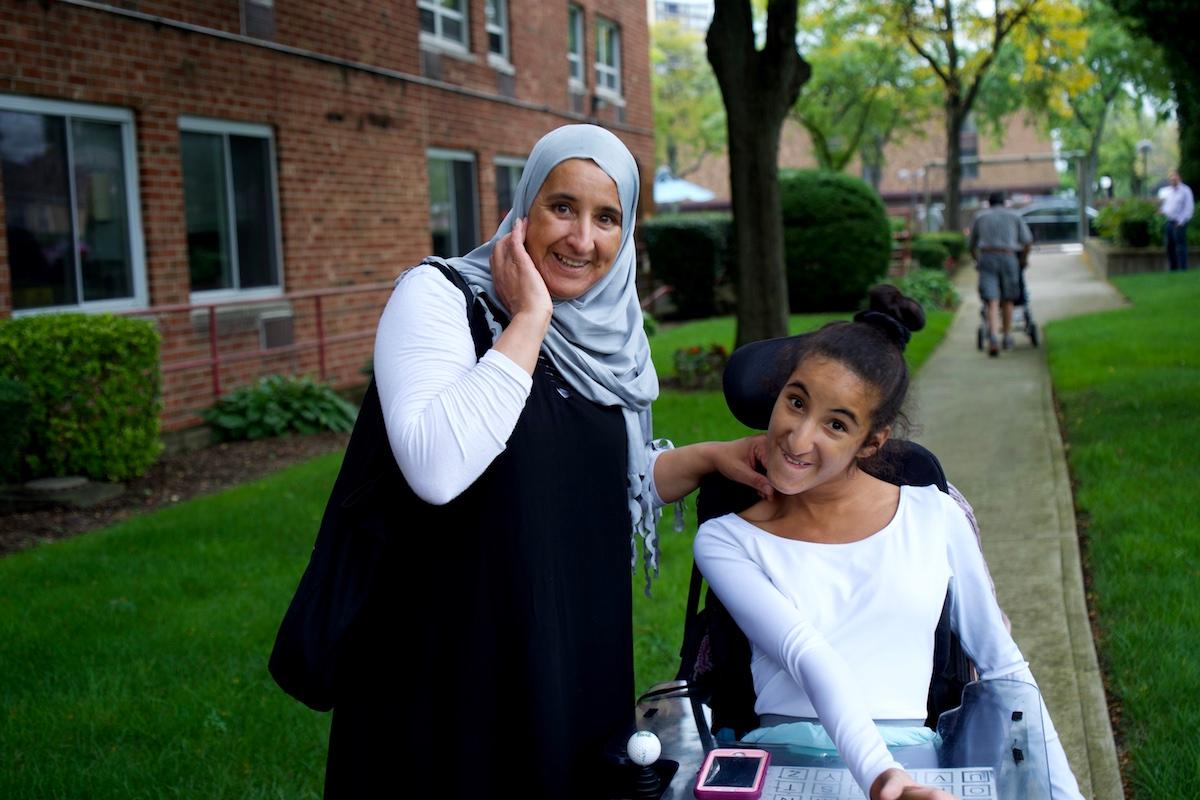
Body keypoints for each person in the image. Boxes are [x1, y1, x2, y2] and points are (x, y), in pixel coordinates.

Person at [322, 124, 772, 798]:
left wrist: (713, 457)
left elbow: (596, 482)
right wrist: (529, 318)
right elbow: (436, 469)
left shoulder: (607, 338)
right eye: (562, 207)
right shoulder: (439, 297)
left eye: (606, 217)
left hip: (566, 646)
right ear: (524, 207)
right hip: (451, 656)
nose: (582, 239)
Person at [693, 286, 1085, 800]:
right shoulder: (727, 538)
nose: (799, 437)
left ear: (872, 441)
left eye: (836, 424)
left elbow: (1004, 668)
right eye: (796, 402)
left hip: (911, 763)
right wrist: (880, 775)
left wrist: (1065, 794)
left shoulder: (935, 516)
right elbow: (806, 653)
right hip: (787, 761)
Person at [968, 192, 1032, 357]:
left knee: (992, 300)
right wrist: (1023, 260)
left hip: (987, 257)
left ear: (989, 203)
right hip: (1009, 257)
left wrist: (977, 261)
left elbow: (971, 245)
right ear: (1004, 203)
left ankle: (993, 337)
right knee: (1008, 299)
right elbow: (1027, 241)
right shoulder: (1014, 216)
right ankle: (1008, 336)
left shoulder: (980, 217)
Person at [1160, 169, 1194, 271]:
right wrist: (1162, 211)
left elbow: (1189, 208)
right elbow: (1166, 207)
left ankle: (1183, 268)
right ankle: (1173, 268)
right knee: (1169, 246)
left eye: (1175, 176)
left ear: (1179, 178)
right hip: (1169, 222)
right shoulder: (1167, 191)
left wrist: (1181, 221)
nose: (1173, 179)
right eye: (1171, 177)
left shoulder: (1185, 190)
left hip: (1180, 222)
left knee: (1180, 246)